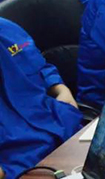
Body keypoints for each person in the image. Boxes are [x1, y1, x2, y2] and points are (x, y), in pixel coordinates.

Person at [0, 17, 82, 179]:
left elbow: (39, 65)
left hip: (61, 126)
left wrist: (60, 89)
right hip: (18, 161)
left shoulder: (7, 29)